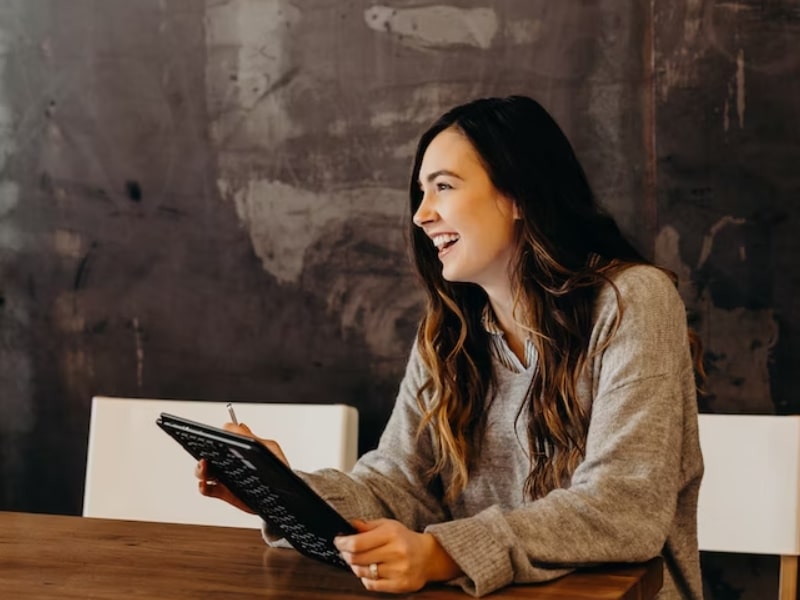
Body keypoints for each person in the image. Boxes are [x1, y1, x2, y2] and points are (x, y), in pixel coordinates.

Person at [195, 95, 704, 599]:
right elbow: (397, 486)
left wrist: (443, 555)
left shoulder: (632, 301)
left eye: (443, 186)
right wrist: (284, 493)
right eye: (421, 192)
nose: (421, 214)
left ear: (518, 195)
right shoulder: (448, 335)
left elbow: (623, 507)